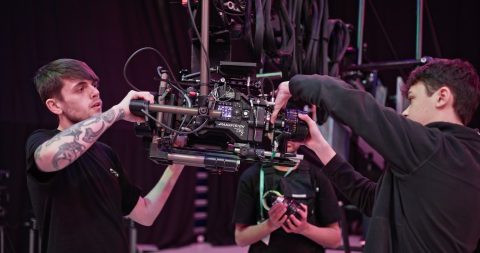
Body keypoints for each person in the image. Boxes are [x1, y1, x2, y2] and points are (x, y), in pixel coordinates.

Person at [270, 58, 480, 252]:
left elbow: (363, 109)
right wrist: (320, 147)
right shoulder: (464, 157)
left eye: (412, 100)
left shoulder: (433, 149)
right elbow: (373, 200)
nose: (405, 112)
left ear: (442, 96)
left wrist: (294, 85)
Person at [26, 58, 184, 253]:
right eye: (80, 88)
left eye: (94, 85)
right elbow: (48, 156)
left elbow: (146, 214)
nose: (95, 92)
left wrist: (176, 161)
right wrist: (117, 112)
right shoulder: (41, 140)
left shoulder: (105, 153)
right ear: (55, 106)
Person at [233, 138, 342, 253]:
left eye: (294, 130)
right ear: (270, 132)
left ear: (303, 137)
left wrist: (305, 228)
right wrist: (270, 225)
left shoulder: (317, 177)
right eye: (281, 126)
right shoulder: (252, 176)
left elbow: (335, 240)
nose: (287, 136)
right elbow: (241, 238)